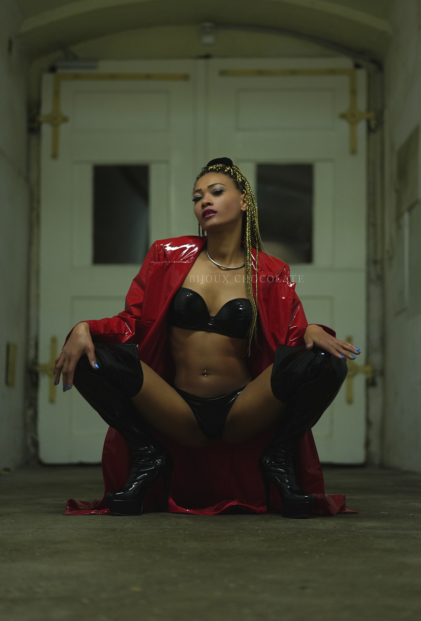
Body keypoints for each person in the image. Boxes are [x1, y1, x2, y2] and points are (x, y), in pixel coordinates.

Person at [55, 157, 358, 518]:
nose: (204, 202)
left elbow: (288, 339)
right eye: (197, 197)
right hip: (176, 407)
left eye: (215, 192)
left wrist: (311, 330)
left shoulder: (271, 271)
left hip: (242, 409)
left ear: (243, 200)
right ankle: (148, 454)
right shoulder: (166, 256)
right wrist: (85, 328)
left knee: (327, 362)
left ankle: (278, 456)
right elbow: (133, 321)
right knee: (89, 358)